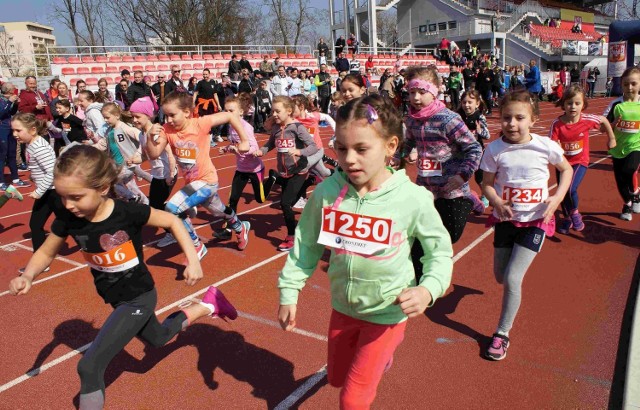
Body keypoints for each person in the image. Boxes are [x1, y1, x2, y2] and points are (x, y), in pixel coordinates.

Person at [8, 143, 238, 410]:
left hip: (138, 297)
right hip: (116, 297)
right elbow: (46, 252)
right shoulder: (69, 219)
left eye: (76, 197)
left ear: (103, 188)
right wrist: (30, 275)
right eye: (63, 197)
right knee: (158, 338)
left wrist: (194, 260)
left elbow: (172, 221)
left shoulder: (126, 212)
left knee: (89, 367)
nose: (68, 205)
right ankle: (208, 305)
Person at [277, 94, 453, 409]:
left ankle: (380, 355)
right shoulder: (328, 192)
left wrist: (428, 289)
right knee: (336, 378)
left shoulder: (412, 199)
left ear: (390, 146)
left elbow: (439, 252)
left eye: (361, 149)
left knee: (353, 399)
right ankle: (379, 362)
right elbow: (306, 244)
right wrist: (290, 290)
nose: (350, 159)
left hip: (386, 314)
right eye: (341, 149)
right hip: (343, 308)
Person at [480, 89, 572, 361]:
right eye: (507, 117)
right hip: (506, 220)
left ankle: (501, 334)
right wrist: (496, 201)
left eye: (520, 118)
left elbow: (566, 170)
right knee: (500, 276)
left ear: (533, 119)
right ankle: (512, 295)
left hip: (536, 221)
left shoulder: (545, 146)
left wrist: (556, 199)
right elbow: (485, 184)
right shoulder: (494, 150)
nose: (512, 124)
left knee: (512, 278)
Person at [395, 66, 482, 279]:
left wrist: (462, 176)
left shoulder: (448, 119)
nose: (415, 97)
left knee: (450, 234)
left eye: (421, 92)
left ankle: (471, 198)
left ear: (434, 92)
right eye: (411, 92)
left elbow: (474, 148)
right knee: (420, 233)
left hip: (453, 187)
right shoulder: (412, 119)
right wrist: (400, 156)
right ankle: (414, 279)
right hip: (426, 187)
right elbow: (408, 142)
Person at [146, 92, 251, 252]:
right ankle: (239, 226)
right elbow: (153, 154)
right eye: (166, 115)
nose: (168, 120)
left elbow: (230, 117)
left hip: (207, 180)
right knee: (219, 212)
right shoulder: (166, 130)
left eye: (172, 115)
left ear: (187, 112)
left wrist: (244, 140)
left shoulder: (200, 123)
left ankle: (196, 246)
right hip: (193, 184)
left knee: (172, 209)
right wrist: (149, 136)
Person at [255, 96, 319, 251]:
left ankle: (291, 236)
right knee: (290, 202)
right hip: (285, 171)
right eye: (272, 111)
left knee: (285, 203)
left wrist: (298, 151)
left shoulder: (297, 127)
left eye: (278, 111)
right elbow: (270, 143)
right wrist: (262, 151)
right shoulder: (276, 128)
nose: (274, 114)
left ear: (289, 111)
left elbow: (313, 147)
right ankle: (305, 181)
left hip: (299, 170)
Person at [549, 85, 615, 233]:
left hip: (580, 161)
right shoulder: (557, 124)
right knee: (563, 190)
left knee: (570, 188)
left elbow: (604, 120)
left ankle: (574, 213)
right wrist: (556, 146)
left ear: (583, 105)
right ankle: (567, 218)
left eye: (577, 103)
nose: (573, 107)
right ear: (563, 104)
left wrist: (611, 138)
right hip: (563, 163)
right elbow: (551, 143)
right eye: (569, 103)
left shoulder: (587, 120)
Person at [11, 113, 69, 273]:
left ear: (32, 129)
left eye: (18, 130)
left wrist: (38, 191)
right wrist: (34, 176)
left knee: (70, 222)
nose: (15, 134)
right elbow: (40, 168)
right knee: (36, 225)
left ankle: (96, 243)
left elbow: (52, 171)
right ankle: (41, 262)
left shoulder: (39, 147)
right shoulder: (30, 144)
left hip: (53, 192)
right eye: (13, 131)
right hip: (47, 191)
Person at [213, 96, 265, 240]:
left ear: (241, 112)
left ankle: (272, 178)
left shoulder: (246, 127)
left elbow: (254, 147)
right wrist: (227, 148)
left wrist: (240, 150)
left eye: (232, 110)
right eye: (226, 110)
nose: (228, 113)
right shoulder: (230, 127)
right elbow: (235, 144)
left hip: (255, 169)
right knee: (232, 199)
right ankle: (229, 229)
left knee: (260, 199)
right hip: (241, 169)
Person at [130, 96, 177, 215]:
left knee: (156, 207)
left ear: (148, 115)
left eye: (138, 117)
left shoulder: (156, 132)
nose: (134, 120)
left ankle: (178, 220)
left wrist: (171, 174)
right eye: (132, 117)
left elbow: (170, 154)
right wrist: (133, 160)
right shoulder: (142, 134)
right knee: (155, 206)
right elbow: (146, 155)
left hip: (167, 175)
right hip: (157, 175)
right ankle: (178, 216)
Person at [605, 66, 640, 220]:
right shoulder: (616, 105)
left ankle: (635, 193)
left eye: (633, 84)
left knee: (630, 169)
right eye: (626, 84)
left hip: (636, 146)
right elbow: (601, 127)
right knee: (620, 181)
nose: (630, 87)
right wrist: (613, 124)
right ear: (621, 85)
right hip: (618, 149)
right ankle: (627, 204)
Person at [290, 94, 336, 209]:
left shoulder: (312, 116)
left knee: (301, 169)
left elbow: (327, 117)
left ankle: (299, 198)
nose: (290, 111)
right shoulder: (293, 120)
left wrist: (336, 133)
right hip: (304, 152)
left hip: (317, 150)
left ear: (301, 107)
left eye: (292, 108)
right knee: (324, 173)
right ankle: (338, 172)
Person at [99, 103, 148, 205]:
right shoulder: (109, 131)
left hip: (126, 165)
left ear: (117, 116)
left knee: (111, 183)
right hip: (118, 166)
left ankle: (132, 197)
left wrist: (139, 153)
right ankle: (145, 202)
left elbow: (140, 136)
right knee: (131, 186)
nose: (105, 120)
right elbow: (102, 145)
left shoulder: (124, 128)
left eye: (107, 117)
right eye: (104, 118)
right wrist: (87, 148)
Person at [458, 89, 491, 208]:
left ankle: (485, 195)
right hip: (461, 151)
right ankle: (462, 196)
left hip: (477, 152)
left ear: (477, 103)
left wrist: (479, 130)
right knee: (459, 175)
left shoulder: (479, 117)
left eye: (469, 102)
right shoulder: (458, 116)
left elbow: (487, 135)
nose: (466, 105)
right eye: (464, 102)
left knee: (479, 178)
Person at [0, 83, 27, 190]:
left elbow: (11, 112)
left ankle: (15, 178)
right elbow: (1, 113)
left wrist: (15, 104)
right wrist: (9, 101)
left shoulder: (8, 100)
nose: (14, 90)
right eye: (13, 89)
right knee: (2, 156)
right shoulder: (2, 100)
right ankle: (1, 181)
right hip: (2, 130)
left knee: (12, 154)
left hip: (10, 128)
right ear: (8, 90)